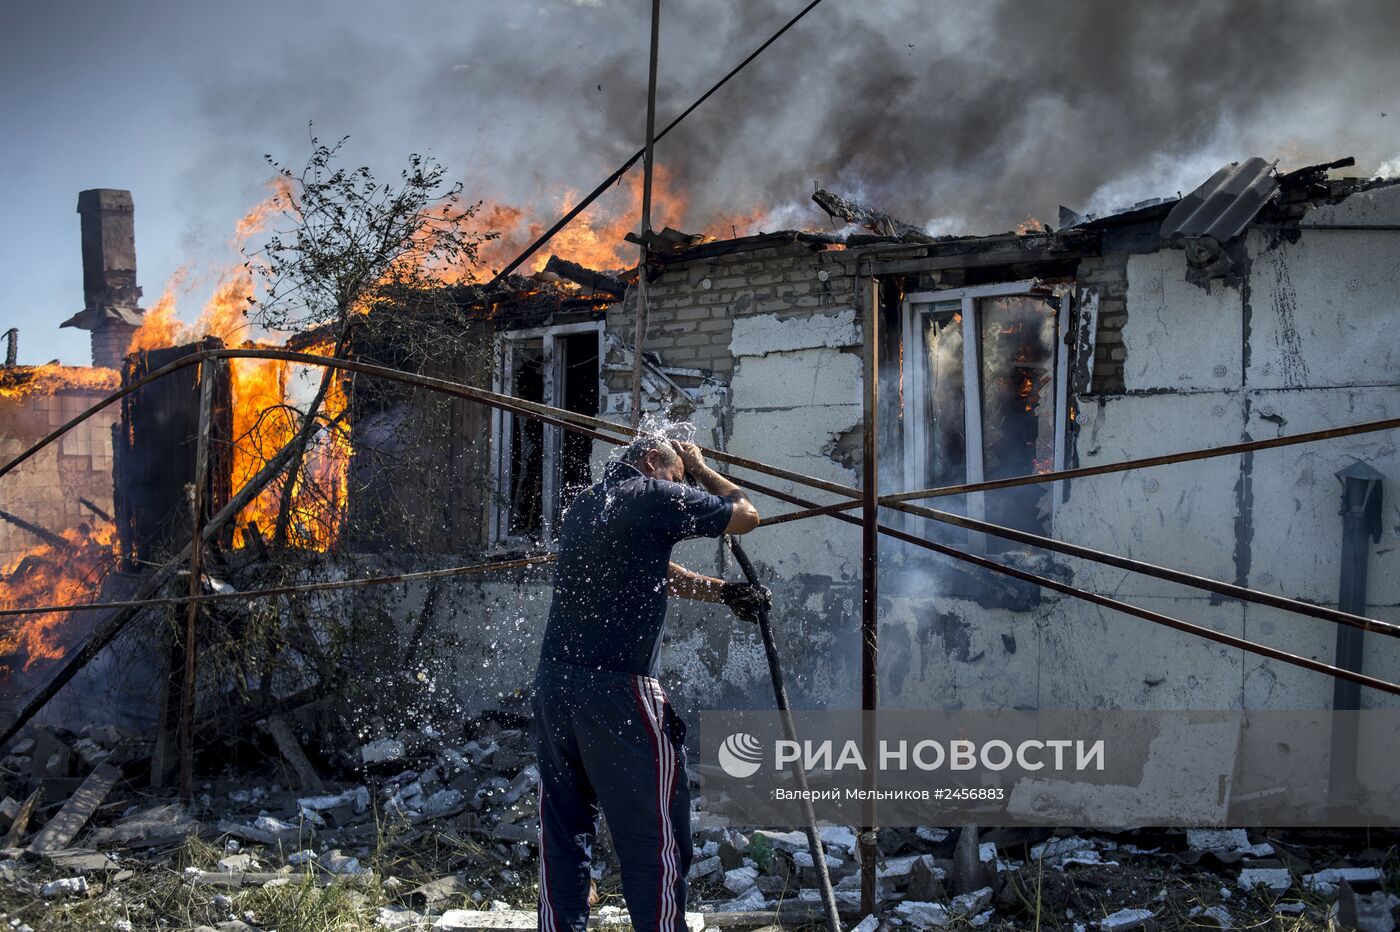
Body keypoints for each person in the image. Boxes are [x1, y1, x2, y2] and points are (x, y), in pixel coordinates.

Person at [533, 435, 768, 931]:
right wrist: (701, 469)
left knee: (563, 830)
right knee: (654, 837)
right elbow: (746, 514)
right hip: (619, 691)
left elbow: (659, 572)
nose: (680, 488)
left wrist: (726, 594)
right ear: (654, 464)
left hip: (554, 685)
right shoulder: (654, 494)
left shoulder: (588, 504)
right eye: (677, 477)